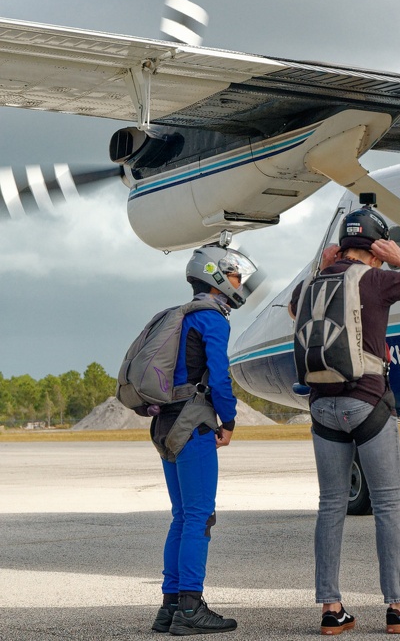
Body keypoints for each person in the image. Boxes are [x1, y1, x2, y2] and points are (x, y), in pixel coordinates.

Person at [290, 207, 400, 636]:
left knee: (331, 505)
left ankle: (331, 608)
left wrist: (324, 266)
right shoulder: (378, 278)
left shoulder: (312, 284)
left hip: (321, 408)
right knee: (387, 504)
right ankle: (398, 607)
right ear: (376, 250)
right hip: (366, 403)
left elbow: (297, 314)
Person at [152, 243, 260, 635]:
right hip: (193, 425)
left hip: (165, 423)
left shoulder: (179, 317)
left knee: (182, 517)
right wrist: (228, 420)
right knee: (199, 517)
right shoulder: (212, 317)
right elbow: (219, 377)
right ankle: (191, 608)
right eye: (234, 276)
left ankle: (169, 608)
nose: (239, 284)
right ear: (216, 275)